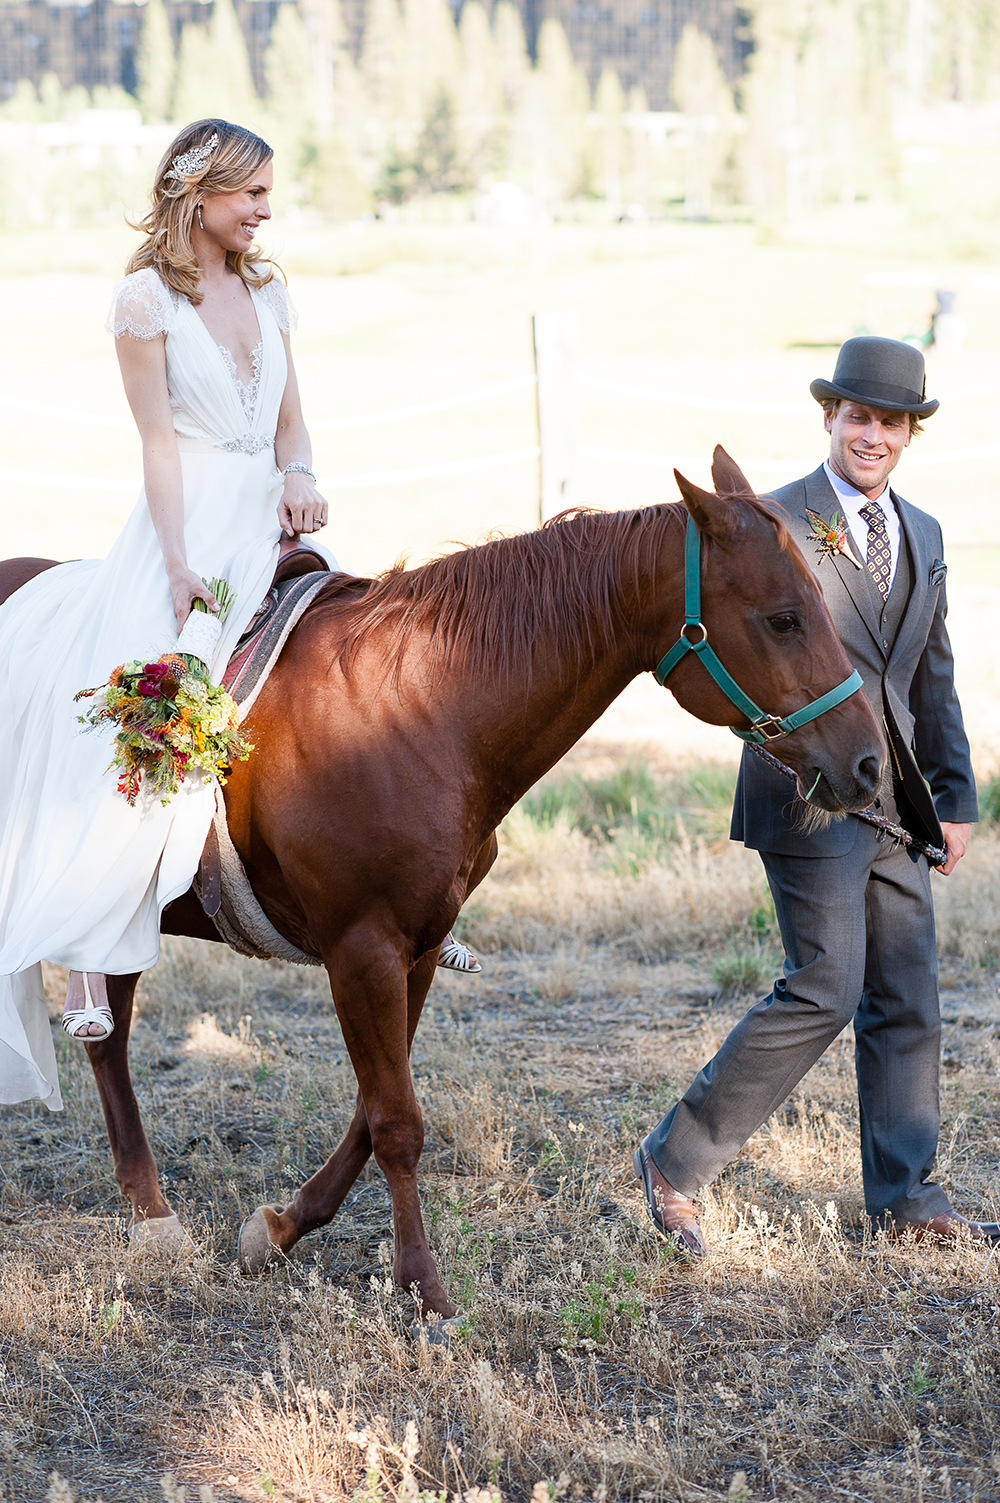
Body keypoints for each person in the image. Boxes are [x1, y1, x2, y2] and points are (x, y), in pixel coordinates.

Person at [633, 336, 998, 1253]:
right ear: (829, 418)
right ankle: (677, 1160)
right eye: (857, 416)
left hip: (899, 795)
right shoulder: (772, 520)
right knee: (826, 986)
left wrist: (953, 797)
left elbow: (932, 678)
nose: (872, 435)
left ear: (911, 434)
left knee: (909, 991)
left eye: (891, 422)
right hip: (808, 788)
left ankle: (909, 1200)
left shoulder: (926, 533)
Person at [0, 119, 337, 1104]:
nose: (266, 212)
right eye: (252, 195)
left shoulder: (270, 288)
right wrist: (180, 564)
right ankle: (98, 938)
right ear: (199, 196)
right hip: (187, 524)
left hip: (271, 515)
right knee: (163, 711)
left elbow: (291, 418)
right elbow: (156, 444)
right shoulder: (142, 301)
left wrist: (301, 474)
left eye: (268, 194)